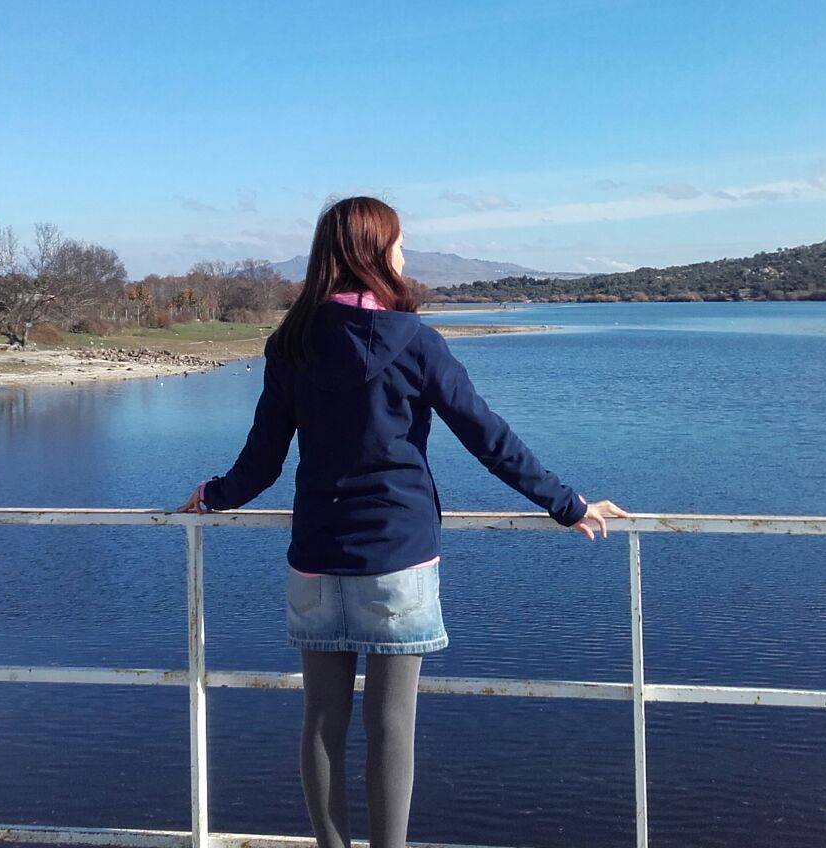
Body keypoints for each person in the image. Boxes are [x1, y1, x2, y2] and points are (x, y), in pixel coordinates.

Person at [176, 196, 626, 848]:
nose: (405, 254)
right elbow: (488, 437)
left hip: (316, 557)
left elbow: (262, 461)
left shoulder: (291, 345)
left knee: (321, 721)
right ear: (375, 253)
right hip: (398, 559)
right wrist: (568, 504)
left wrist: (212, 496)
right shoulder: (415, 341)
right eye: (399, 243)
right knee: (391, 727)